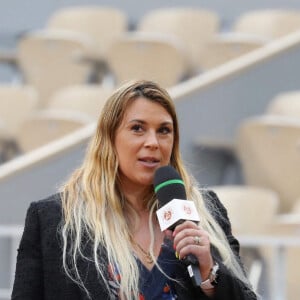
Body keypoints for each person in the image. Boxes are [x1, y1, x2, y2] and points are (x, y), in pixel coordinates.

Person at [12, 80, 257, 300]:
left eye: (164, 130)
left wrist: (209, 271)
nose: (152, 142)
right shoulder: (53, 219)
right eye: (138, 128)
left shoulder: (206, 211)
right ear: (110, 138)